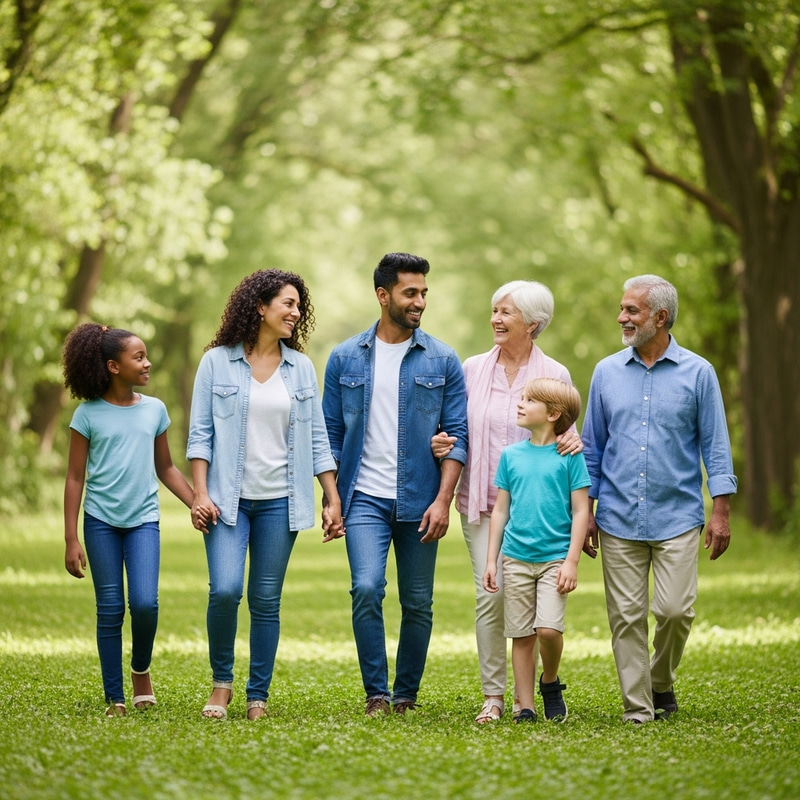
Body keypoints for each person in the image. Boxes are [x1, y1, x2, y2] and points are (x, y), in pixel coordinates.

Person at [187, 269, 343, 721]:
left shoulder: (301, 368)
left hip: (281, 500)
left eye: (298, 306)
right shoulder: (216, 362)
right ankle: (222, 684)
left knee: (266, 600)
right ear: (260, 306)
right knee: (225, 590)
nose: (295, 313)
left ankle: (258, 694)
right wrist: (200, 493)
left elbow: (317, 441)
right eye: (287, 304)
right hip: (225, 500)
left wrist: (330, 497)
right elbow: (200, 435)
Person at [582, 274, 737, 723]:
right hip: (617, 515)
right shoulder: (606, 372)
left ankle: (660, 680)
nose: (622, 317)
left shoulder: (699, 372)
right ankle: (638, 708)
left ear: (660, 317)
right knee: (626, 618)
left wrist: (721, 510)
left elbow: (716, 443)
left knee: (674, 612)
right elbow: (593, 447)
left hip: (678, 515)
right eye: (623, 309)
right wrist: (586, 511)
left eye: (631, 310)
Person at [322, 252, 468, 716]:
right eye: (410, 292)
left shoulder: (443, 359)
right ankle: (377, 694)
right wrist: (331, 498)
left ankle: (405, 694)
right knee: (366, 587)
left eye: (424, 292)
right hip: (363, 496)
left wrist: (443, 501)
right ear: (383, 295)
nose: (420, 301)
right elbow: (327, 434)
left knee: (418, 601)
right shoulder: (344, 357)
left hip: (422, 498)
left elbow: (458, 436)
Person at [431, 280, 583, 724]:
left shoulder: (555, 374)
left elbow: (569, 439)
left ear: (532, 325)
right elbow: (454, 428)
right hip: (484, 502)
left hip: (542, 510)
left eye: (506, 313)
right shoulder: (472, 368)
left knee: (540, 612)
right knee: (490, 595)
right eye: (494, 310)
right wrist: (442, 441)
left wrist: (573, 446)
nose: (495, 319)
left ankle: (538, 688)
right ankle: (495, 696)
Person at [63, 322, 198, 717]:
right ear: (112, 366)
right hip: (100, 521)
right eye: (138, 357)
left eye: (146, 355)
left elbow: (167, 468)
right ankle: (115, 698)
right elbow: (74, 477)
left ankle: (141, 669)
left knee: (144, 603)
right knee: (110, 608)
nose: (147, 363)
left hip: (143, 521)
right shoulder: (86, 415)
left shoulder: (154, 409)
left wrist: (196, 502)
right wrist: (72, 539)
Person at [483, 377, 590, 723]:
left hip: (554, 559)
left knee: (548, 630)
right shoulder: (511, 456)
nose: (520, 403)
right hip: (515, 558)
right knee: (522, 634)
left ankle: (550, 680)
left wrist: (571, 561)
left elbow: (581, 511)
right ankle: (526, 706)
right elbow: (500, 510)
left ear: (552, 413)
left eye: (529, 400)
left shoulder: (570, 457)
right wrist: (491, 560)